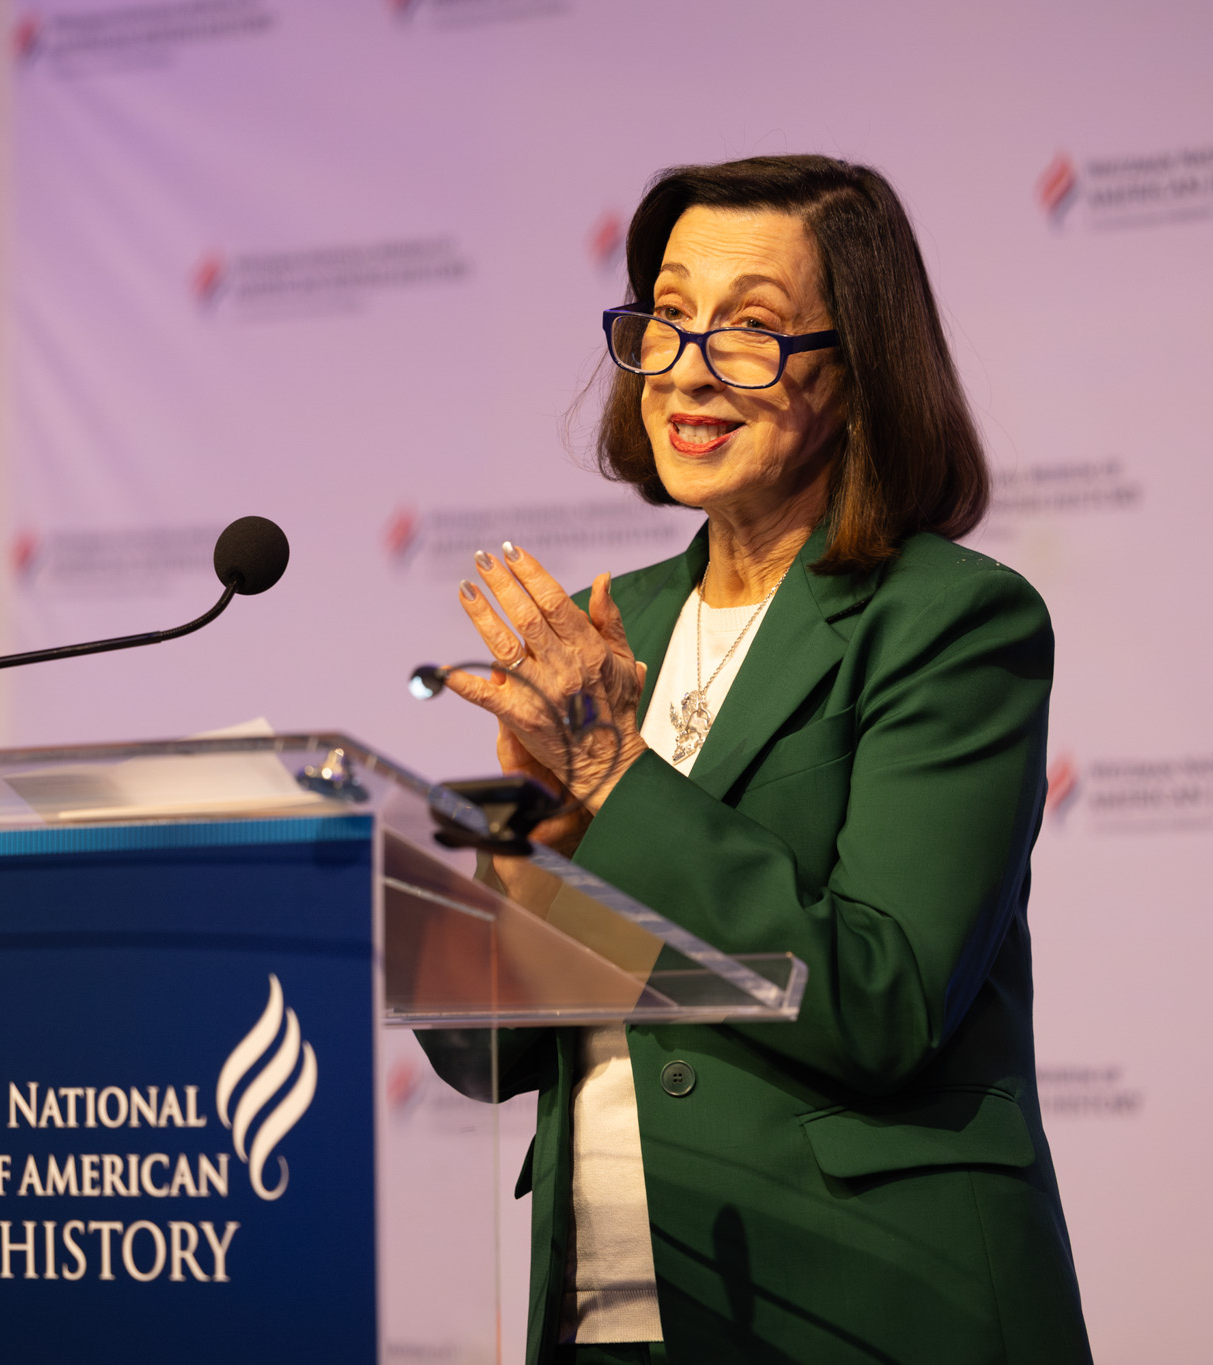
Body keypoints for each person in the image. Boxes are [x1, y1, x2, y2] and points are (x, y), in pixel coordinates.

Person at [430, 156, 1091, 1364]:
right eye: (667, 318)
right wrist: (525, 847)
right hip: (613, 1299)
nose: (687, 368)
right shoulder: (611, 625)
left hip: (870, 1306)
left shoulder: (947, 621)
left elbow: (883, 1004)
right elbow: (482, 1052)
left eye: (748, 329)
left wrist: (616, 779)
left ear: (858, 369)